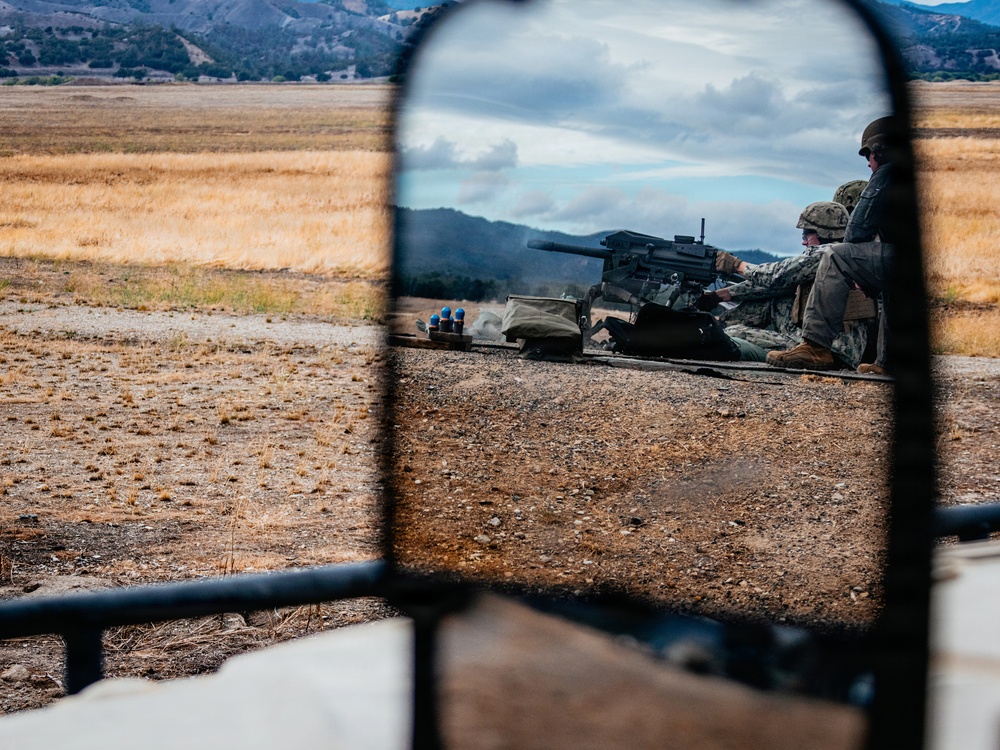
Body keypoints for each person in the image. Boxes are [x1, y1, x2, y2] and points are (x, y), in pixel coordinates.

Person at [766, 116, 897, 374]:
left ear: (880, 150)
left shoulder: (888, 171)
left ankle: (815, 346)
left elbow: (857, 230)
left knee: (838, 256)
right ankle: (887, 363)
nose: (869, 163)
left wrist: (861, 275)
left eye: (869, 155)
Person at [697, 200, 869, 366]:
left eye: (806, 234)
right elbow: (775, 287)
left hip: (829, 350)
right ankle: (717, 321)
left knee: (731, 333)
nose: (803, 241)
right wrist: (720, 295)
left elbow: (777, 275)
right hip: (835, 345)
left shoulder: (829, 254)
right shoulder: (848, 254)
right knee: (773, 300)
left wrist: (737, 266)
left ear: (823, 233)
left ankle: (712, 329)